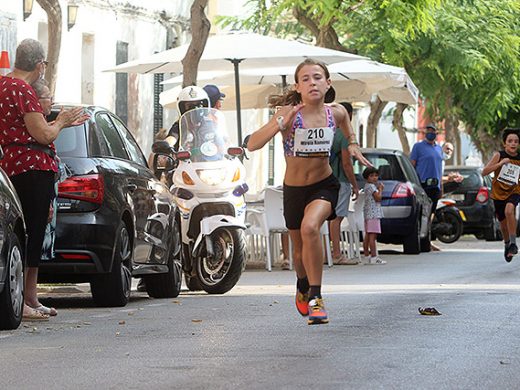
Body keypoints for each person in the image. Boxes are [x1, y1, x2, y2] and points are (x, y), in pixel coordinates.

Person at [246, 58, 370, 325]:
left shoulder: (336, 113)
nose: (312, 82)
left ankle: (316, 298)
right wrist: (279, 123)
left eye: (317, 77)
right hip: (294, 190)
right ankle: (302, 283)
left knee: (311, 228)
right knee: (298, 255)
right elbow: (253, 144)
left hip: (324, 185)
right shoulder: (289, 113)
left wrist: (354, 146)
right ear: (298, 86)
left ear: (327, 83)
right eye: (305, 79)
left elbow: (348, 133)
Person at [0, 38, 87, 321]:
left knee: (19, 232)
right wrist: (61, 120)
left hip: (10, 165)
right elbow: (43, 135)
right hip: (30, 168)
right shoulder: (23, 89)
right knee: (33, 233)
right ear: (40, 65)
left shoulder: (2, 85)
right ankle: (25, 299)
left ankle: (27, 298)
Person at [481, 128, 520, 262]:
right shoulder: (499, 155)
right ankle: (507, 243)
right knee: (503, 225)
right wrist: (500, 164)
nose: (513, 144)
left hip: (514, 191)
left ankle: (514, 244)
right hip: (498, 194)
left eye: (516, 141)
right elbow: (484, 172)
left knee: (510, 211)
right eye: (510, 141)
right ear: (505, 144)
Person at [328, 102, 360, 265]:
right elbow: (347, 164)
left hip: (324, 179)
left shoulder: (328, 132)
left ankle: (326, 252)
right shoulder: (344, 135)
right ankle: (336, 254)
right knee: (337, 218)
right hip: (340, 180)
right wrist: (354, 184)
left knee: (326, 218)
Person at [409, 124, 443, 250]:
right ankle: (422, 240)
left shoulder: (439, 149)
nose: (430, 132)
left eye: (433, 131)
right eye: (428, 130)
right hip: (422, 184)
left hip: (435, 185)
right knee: (423, 213)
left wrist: (441, 187)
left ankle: (427, 239)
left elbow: (440, 169)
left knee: (431, 214)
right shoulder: (418, 147)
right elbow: (412, 165)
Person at [362, 167, 386, 265]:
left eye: (376, 175)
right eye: (371, 176)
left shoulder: (367, 186)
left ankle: (367, 255)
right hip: (373, 214)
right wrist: (380, 189)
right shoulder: (372, 187)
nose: (374, 178)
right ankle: (374, 256)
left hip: (368, 214)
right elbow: (378, 198)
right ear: (366, 177)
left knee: (367, 235)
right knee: (373, 236)